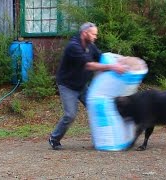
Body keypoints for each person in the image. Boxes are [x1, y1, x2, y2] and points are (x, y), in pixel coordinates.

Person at [49, 22, 127, 150]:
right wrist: (112, 67)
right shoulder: (73, 47)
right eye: (93, 34)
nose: (95, 37)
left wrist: (120, 61)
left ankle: (102, 140)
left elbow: (101, 57)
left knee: (97, 108)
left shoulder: (91, 45)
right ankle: (54, 137)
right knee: (70, 115)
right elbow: (89, 65)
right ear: (85, 33)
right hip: (68, 86)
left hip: (82, 85)